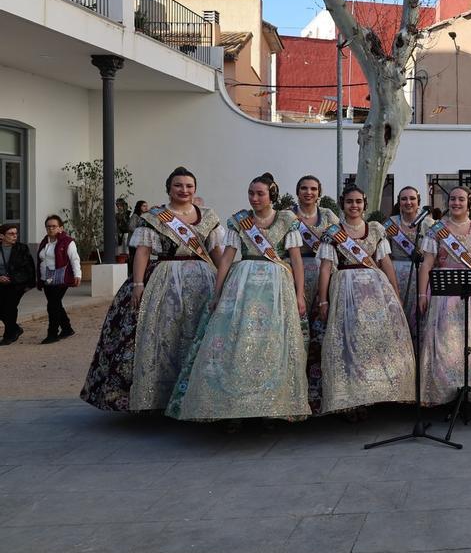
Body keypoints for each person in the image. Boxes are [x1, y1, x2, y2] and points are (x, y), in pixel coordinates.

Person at [167, 173, 310, 422]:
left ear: (271, 195)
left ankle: (272, 407)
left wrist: (300, 295)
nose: (254, 198)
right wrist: (218, 291)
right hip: (243, 285)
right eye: (251, 193)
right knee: (238, 342)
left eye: (260, 194)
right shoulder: (239, 222)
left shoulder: (288, 220)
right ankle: (232, 407)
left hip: (277, 288)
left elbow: (296, 260)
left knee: (272, 344)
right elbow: (227, 258)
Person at [82, 167, 224, 412]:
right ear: (168, 188)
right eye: (178, 185)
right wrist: (138, 284)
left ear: (195, 189)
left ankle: (198, 394)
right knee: (162, 336)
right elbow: (143, 253)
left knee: (200, 334)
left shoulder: (209, 216)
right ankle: (157, 397)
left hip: (204, 281)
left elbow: (216, 252)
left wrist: (227, 278)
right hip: (164, 280)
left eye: (189, 186)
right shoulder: (155, 217)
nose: (184, 190)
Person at [315, 185, 416, 413]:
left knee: (376, 342)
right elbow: (325, 268)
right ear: (343, 204)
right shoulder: (333, 232)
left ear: (365, 204)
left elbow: (386, 264)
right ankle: (351, 400)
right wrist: (323, 300)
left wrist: (396, 295)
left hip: (376, 293)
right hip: (345, 293)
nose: (354, 206)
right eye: (350, 201)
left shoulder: (376, 229)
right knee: (350, 345)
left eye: (358, 201)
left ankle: (377, 394)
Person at [417, 186, 471, 406]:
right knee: (447, 344)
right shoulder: (437, 229)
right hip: (445, 294)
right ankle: (446, 393)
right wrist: (421, 294)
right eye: (453, 199)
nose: (456, 203)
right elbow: (426, 264)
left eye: (461, 199)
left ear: (469, 203)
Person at [292, 174, 339, 412]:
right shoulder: (288, 216)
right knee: (298, 333)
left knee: (322, 332)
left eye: (313, 189)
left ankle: (319, 392)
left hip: (324, 275)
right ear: (297, 191)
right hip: (294, 276)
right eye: (303, 188)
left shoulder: (329, 216)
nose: (308, 192)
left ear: (319, 192)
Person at [386, 185, 430, 337]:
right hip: (396, 273)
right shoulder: (390, 223)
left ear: (418, 201)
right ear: (399, 202)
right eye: (404, 199)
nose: (408, 202)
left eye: (412, 198)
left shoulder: (428, 223)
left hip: (422, 273)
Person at [35, 215, 81, 344]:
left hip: (61, 278)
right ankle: (67, 328)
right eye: (48, 226)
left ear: (60, 228)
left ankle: (52, 334)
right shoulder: (45, 241)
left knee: (52, 306)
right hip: (46, 278)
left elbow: (74, 259)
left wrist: (78, 275)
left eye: (54, 226)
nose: (51, 229)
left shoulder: (67, 242)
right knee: (56, 304)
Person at [0, 223, 35, 345]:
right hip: (0, 284)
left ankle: (9, 335)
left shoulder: (22, 248)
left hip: (17, 284)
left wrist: (28, 284)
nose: (15, 236)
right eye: (11, 234)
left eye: (16, 233)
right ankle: (15, 328)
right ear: (2, 236)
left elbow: (28, 267)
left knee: (10, 308)